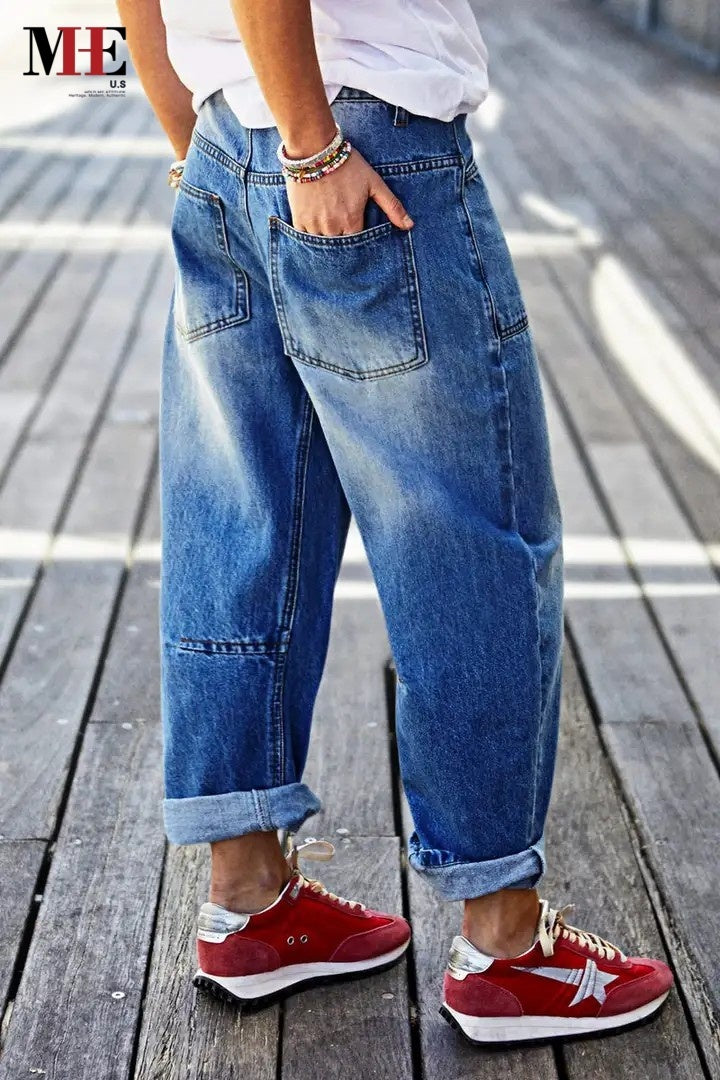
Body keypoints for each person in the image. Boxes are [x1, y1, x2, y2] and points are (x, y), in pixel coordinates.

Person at [118, 0, 673, 1044]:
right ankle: (505, 944)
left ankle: (249, 901)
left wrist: (190, 130)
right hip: (352, 135)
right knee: (469, 539)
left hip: (225, 134)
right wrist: (310, 141)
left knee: (243, 525)